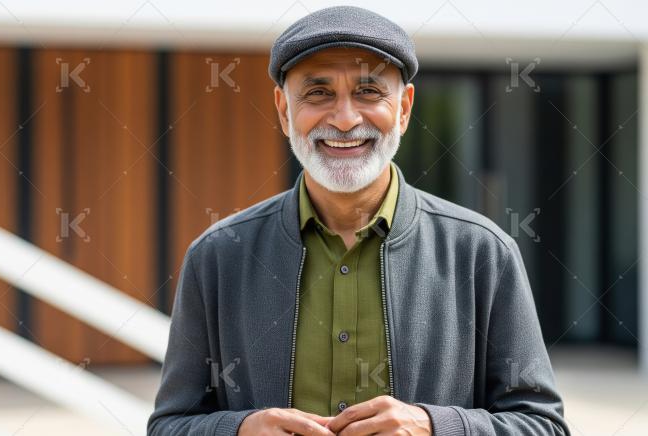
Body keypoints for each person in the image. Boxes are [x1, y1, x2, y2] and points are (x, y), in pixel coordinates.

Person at [149, 5, 569, 435]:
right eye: (318, 93)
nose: (346, 119)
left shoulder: (482, 253)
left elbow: (542, 425)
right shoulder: (217, 256)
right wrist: (239, 431)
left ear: (404, 108)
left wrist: (434, 426)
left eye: (369, 92)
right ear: (283, 110)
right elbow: (169, 426)